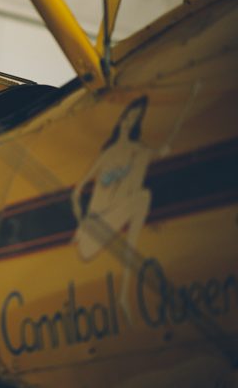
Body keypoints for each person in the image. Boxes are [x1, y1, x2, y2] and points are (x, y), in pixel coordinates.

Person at [71, 85, 198, 322]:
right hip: (92, 233)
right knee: (142, 198)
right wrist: (81, 223)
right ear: (122, 117)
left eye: (136, 118)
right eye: (129, 115)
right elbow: (77, 193)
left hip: (111, 222)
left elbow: (162, 150)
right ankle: (123, 294)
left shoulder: (138, 150)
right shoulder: (108, 153)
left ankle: (124, 293)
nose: (130, 120)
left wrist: (191, 98)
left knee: (142, 197)